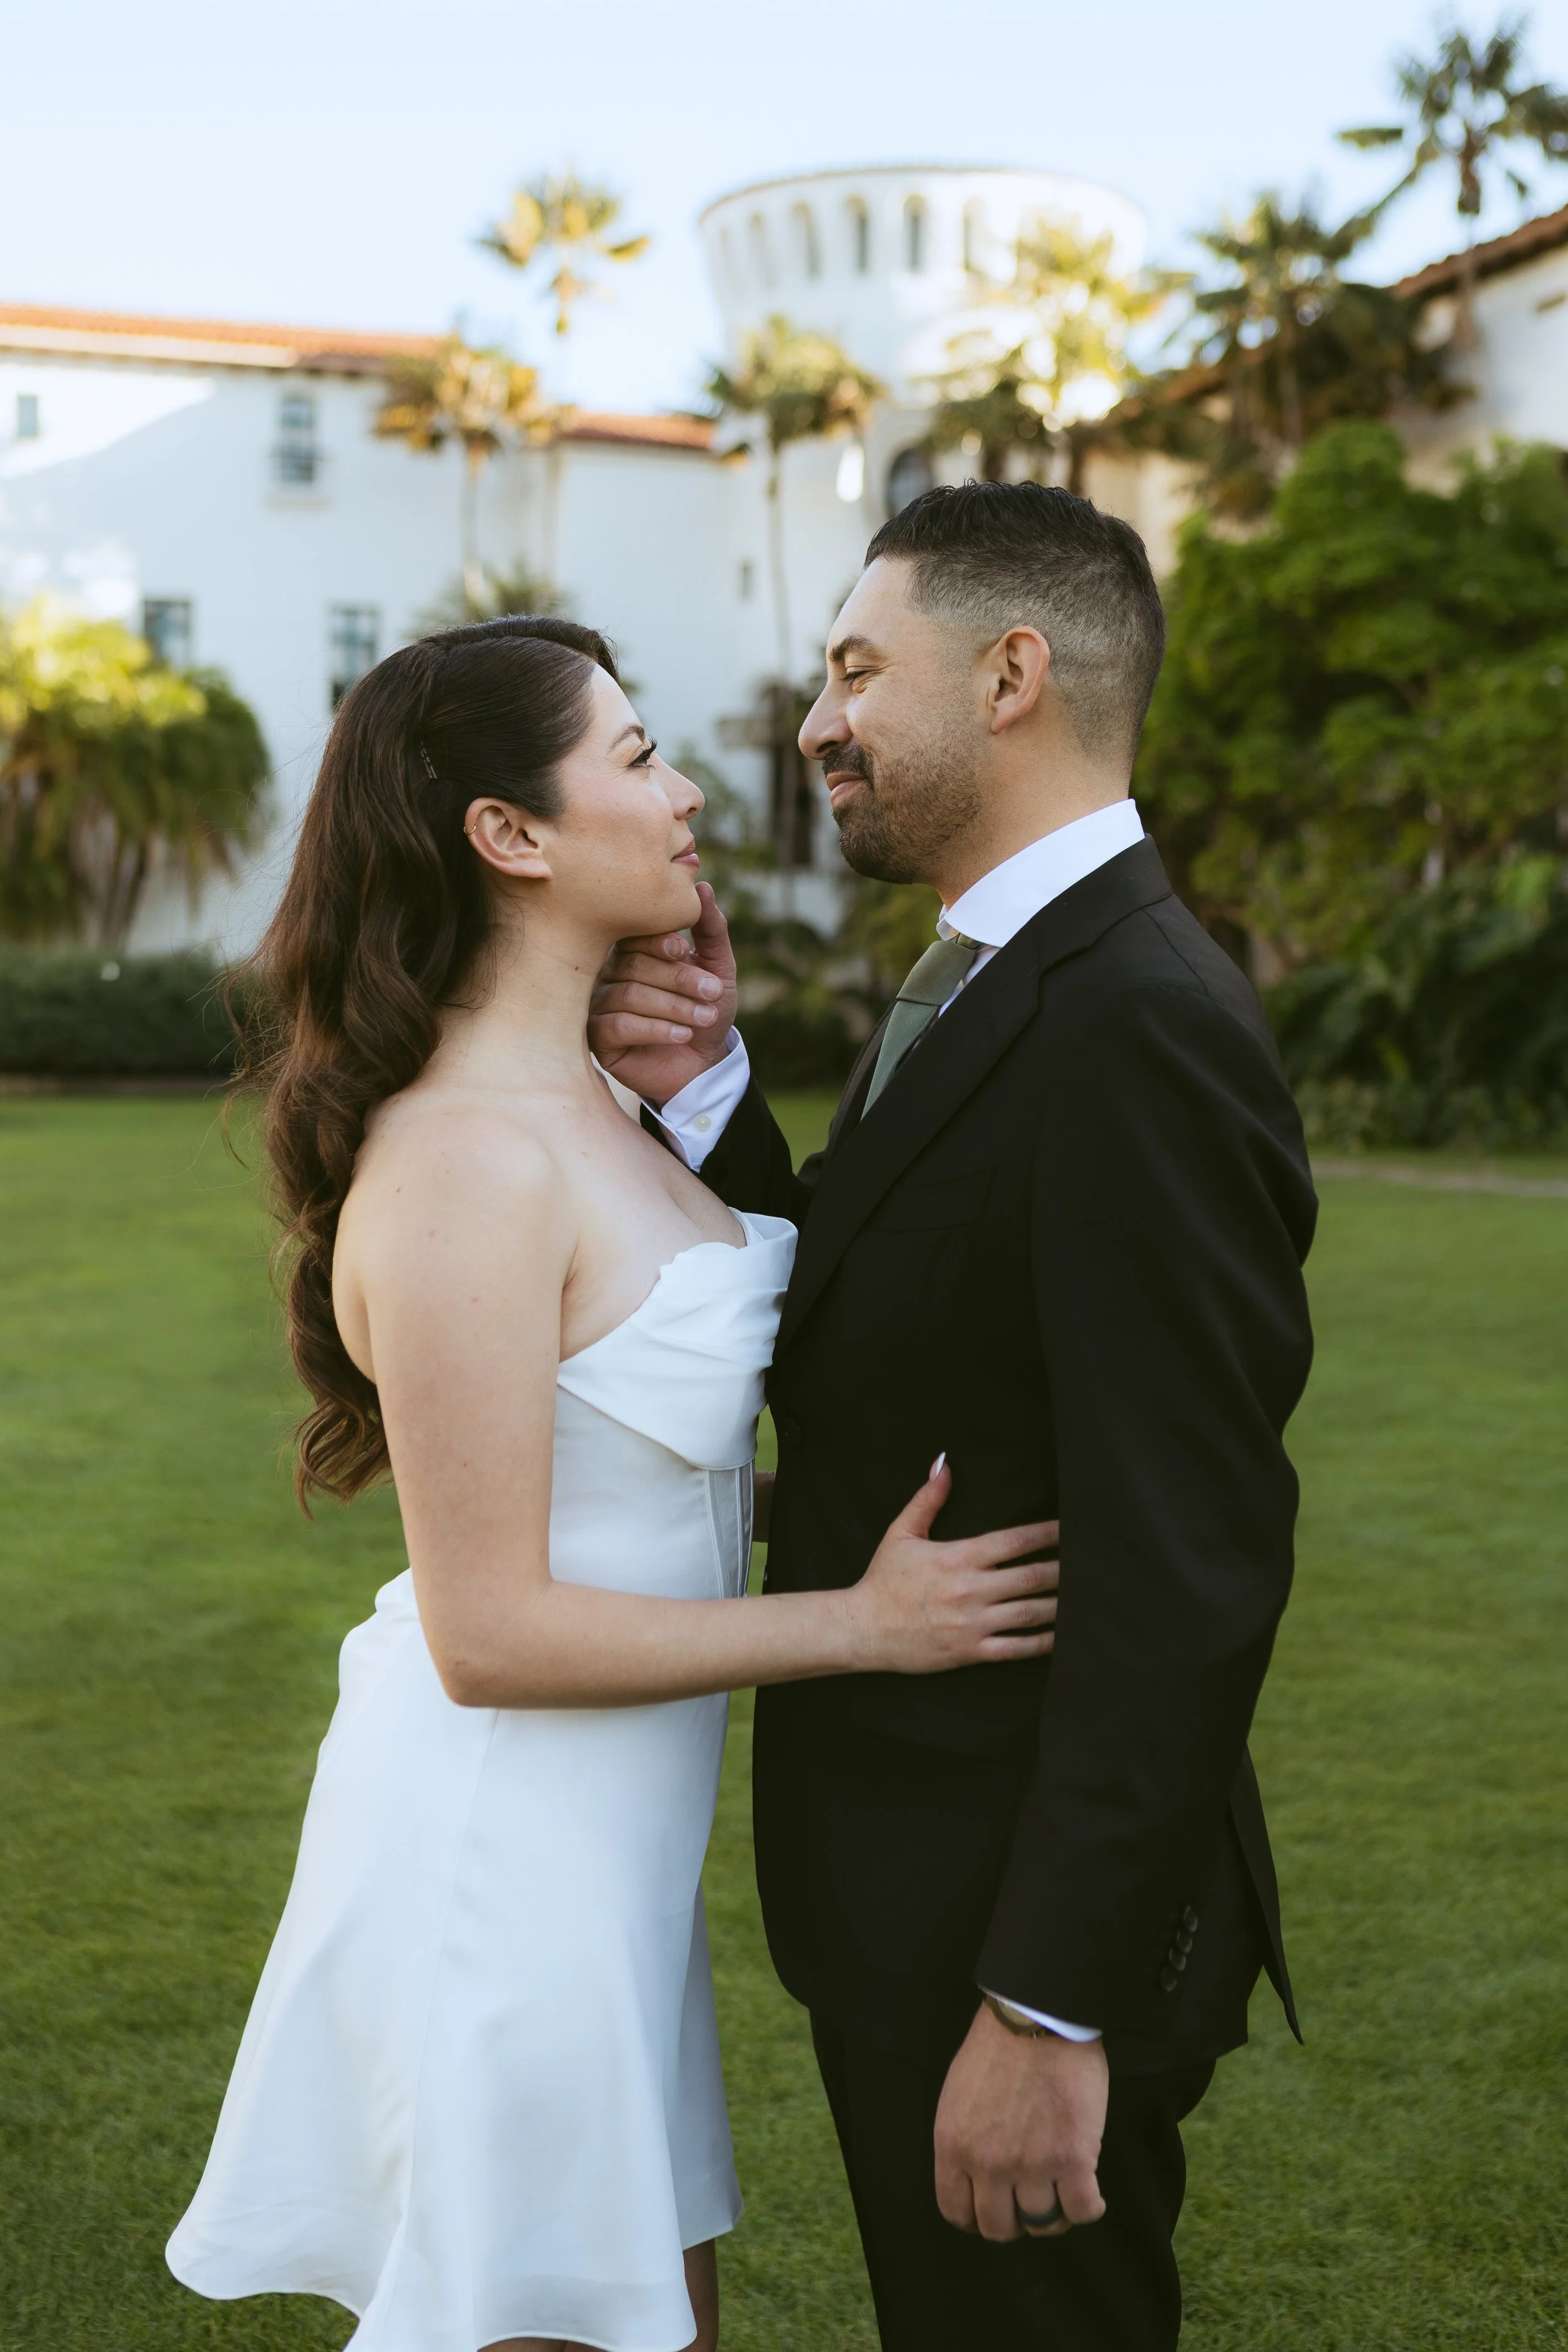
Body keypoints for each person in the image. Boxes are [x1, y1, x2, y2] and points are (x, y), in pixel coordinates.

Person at [164, 615, 1064, 2352]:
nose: (688, 792)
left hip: (606, 1859)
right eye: (637, 758)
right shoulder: (464, 1163)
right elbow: (485, 1630)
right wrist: (861, 1624)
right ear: (510, 833)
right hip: (502, 1841)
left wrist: (693, 1079)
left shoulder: (594, 1101)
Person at [588, 482, 1318, 2352]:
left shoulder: (1133, 1014)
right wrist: (711, 1091)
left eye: (854, 667)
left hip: (1016, 1920)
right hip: (911, 1890)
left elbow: (1191, 1552)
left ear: (1009, 675)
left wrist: (1046, 2005)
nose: (816, 718)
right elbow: (890, 1308)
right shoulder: (994, 970)